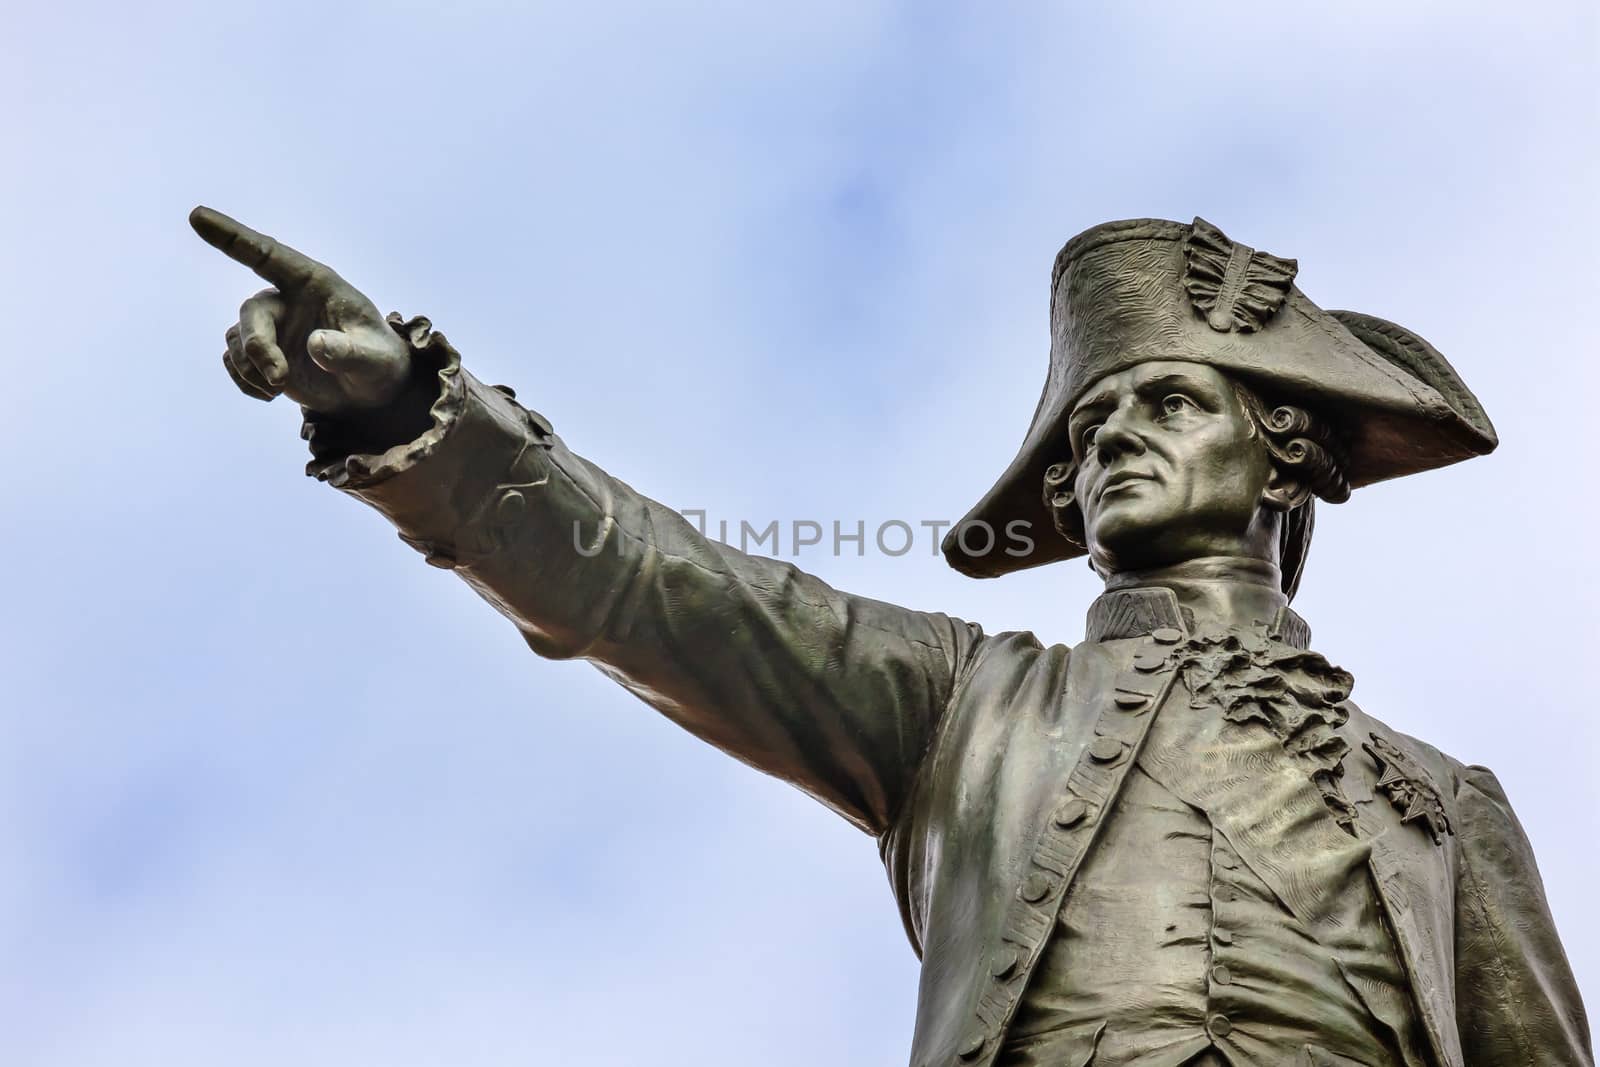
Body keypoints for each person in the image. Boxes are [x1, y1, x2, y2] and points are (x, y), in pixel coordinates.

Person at [192, 207, 1591, 1067]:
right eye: (1089, 430)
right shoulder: (964, 704)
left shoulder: (1446, 809)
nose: (1111, 444)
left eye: (1166, 406)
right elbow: (645, 587)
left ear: (1284, 453)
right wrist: (406, 419)